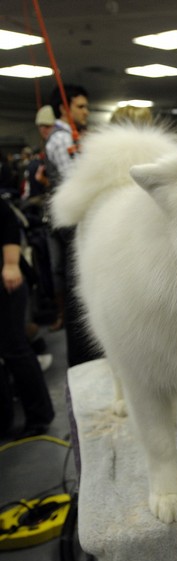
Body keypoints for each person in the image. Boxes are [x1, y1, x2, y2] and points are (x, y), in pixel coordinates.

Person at [45, 84, 101, 366]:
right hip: (75, 223)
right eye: (80, 107)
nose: (85, 112)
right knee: (80, 287)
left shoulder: (73, 137)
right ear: (64, 109)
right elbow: (76, 184)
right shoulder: (60, 139)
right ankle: (83, 360)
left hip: (82, 221)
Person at [0, 197, 54, 438]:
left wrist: (11, 264)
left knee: (14, 348)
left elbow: (8, 221)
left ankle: (39, 417)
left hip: (6, 281)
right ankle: (4, 420)